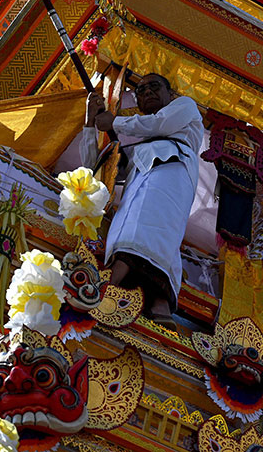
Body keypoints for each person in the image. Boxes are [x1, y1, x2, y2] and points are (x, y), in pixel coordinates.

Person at [82, 73, 204, 328]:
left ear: (171, 95)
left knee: (145, 229)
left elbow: (159, 124)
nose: (147, 91)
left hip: (171, 173)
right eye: (140, 90)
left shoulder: (184, 108)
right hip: (142, 181)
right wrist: (89, 123)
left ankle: (106, 287)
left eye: (154, 86)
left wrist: (115, 122)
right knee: (138, 230)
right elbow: (91, 167)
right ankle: (159, 308)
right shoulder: (139, 149)